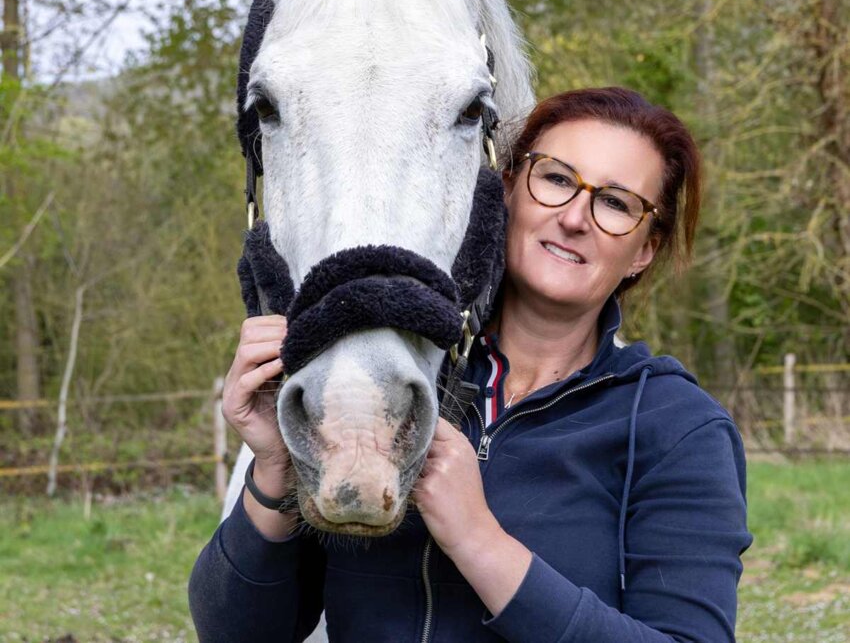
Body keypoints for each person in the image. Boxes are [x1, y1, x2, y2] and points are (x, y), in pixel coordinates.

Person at [189, 87, 752, 643]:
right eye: (557, 179)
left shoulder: (677, 427)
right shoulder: (394, 388)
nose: (575, 217)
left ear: (645, 249)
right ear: (506, 189)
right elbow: (235, 632)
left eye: (616, 203)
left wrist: (478, 540)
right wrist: (273, 470)